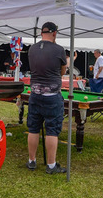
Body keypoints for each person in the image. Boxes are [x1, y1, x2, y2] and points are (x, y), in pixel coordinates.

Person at [25, 22, 75, 174]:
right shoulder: (59, 50)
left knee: (33, 128)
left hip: (34, 94)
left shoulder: (32, 49)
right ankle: (51, 165)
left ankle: (31, 161)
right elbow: (62, 71)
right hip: (52, 95)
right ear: (54, 33)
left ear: (41, 33)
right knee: (52, 129)